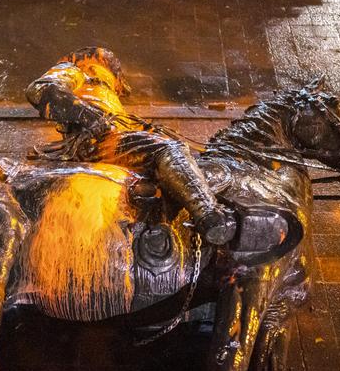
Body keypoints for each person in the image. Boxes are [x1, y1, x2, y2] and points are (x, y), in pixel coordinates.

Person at [26, 47, 237, 245]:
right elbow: (42, 89)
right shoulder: (77, 70)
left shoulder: (108, 96)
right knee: (166, 149)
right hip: (96, 139)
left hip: (113, 134)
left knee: (175, 153)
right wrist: (87, 116)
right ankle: (208, 214)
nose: (112, 82)